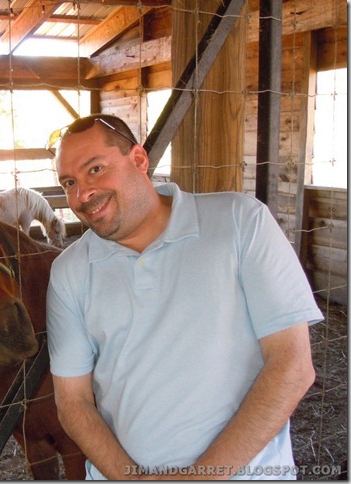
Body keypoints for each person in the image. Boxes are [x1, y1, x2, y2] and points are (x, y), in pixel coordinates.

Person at [45, 114, 323, 480]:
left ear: (139, 159)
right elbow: (73, 402)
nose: (82, 195)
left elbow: (293, 365)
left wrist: (199, 478)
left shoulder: (240, 221)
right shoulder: (70, 271)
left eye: (95, 169)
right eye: (69, 182)